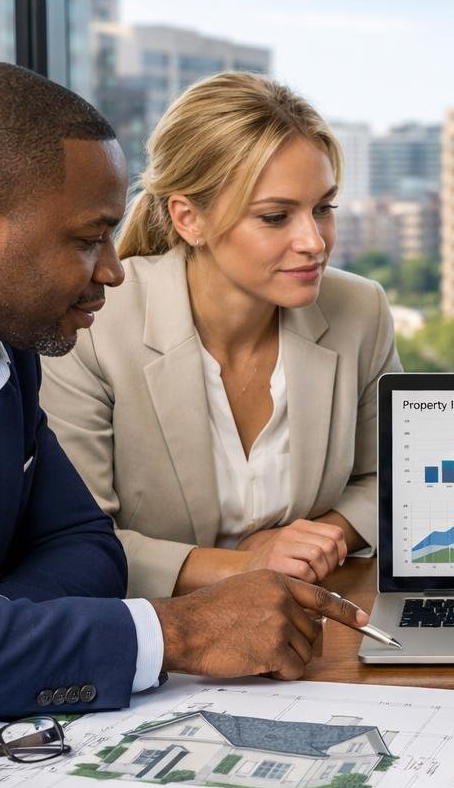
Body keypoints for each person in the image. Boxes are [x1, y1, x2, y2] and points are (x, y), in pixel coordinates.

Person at [0, 62, 367, 730]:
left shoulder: (4, 347)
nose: (115, 270)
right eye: (88, 240)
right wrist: (181, 634)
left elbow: (88, 549)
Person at [42, 72, 400, 599]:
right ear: (190, 219)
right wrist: (244, 564)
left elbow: (390, 480)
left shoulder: (359, 309)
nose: (313, 242)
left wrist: (323, 539)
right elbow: (75, 540)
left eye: (323, 208)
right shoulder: (95, 325)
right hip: (157, 636)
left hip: (315, 613)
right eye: (276, 217)